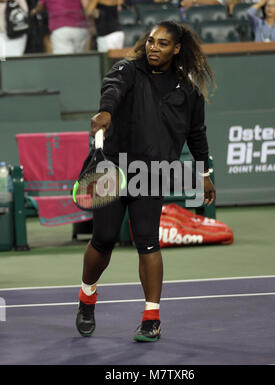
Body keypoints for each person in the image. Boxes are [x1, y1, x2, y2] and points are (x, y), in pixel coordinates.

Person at [75, 20, 216, 342]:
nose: (154, 47)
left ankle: (152, 316)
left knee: (148, 241)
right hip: (111, 167)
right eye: (152, 41)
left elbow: (196, 133)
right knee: (104, 239)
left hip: (151, 173)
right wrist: (106, 112)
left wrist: (205, 173)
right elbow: (111, 89)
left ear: (177, 49)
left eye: (163, 43)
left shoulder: (188, 88)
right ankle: (86, 297)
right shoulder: (127, 70)